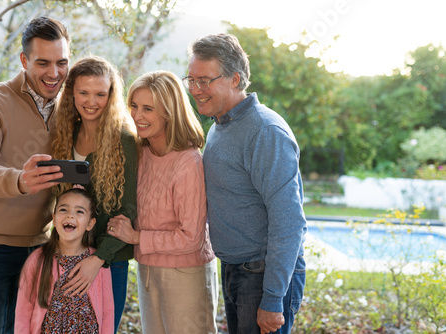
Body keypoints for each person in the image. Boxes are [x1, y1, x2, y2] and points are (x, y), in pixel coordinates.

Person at [185, 33, 307, 334]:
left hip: (261, 274)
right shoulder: (220, 124)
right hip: (236, 269)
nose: (195, 90)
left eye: (205, 81)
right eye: (191, 80)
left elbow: (289, 221)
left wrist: (273, 297)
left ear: (235, 79)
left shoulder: (265, 131)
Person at [0, 16, 70, 334]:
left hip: (40, 249)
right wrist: (19, 180)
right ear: (24, 60)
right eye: (43, 63)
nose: (54, 73)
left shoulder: (72, 107)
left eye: (62, 62)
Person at [108, 70, 219, 333]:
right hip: (148, 269)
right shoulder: (142, 152)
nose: (137, 115)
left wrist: (137, 238)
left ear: (169, 112)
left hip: (186, 274)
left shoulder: (188, 162)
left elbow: (191, 237)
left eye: (148, 109)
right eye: (134, 106)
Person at [50, 55, 138, 333]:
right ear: (71, 93)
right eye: (83, 92)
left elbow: (130, 208)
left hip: (108, 261)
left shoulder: (125, 139)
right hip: (66, 256)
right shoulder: (65, 134)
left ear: (111, 95)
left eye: (100, 94)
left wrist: (98, 257)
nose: (91, 101)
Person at [15, 188, 114, 333]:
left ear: (90, 224)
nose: (70, 215)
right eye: (63, 209)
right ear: (54, 218)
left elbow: (108, 312)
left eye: (79, 211)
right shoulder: (37, 260)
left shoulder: (98, 263)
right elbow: (23, 312)